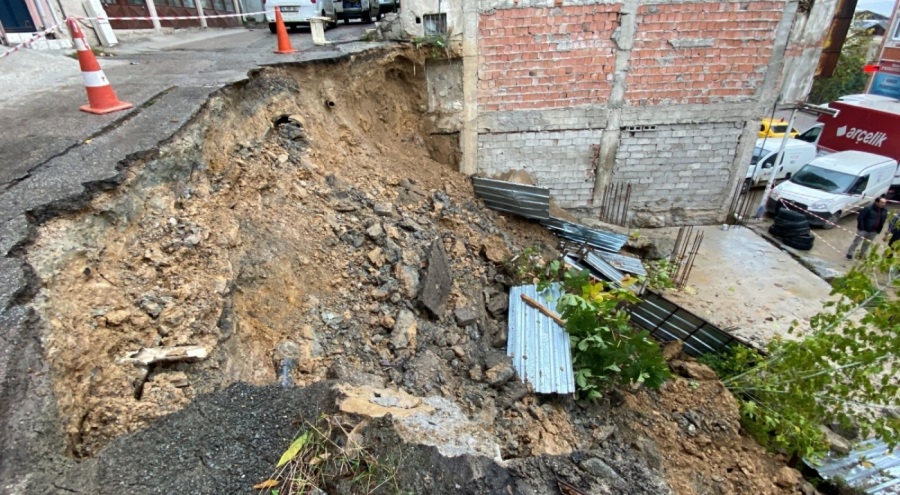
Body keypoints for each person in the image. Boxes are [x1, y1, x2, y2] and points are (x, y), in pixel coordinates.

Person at [847, 196, 888, 260]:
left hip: (873, 231)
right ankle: (849, 254)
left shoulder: (884, 210)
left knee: (867, 244)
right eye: (881, 202)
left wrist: (878, 230)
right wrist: (861, 228)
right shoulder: (868, 208)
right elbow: (860, 218)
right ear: (876, 202)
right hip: (864, 230)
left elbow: (883, 220)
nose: (883, 204)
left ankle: (861, 255)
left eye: (884, 203)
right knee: (856, 242)